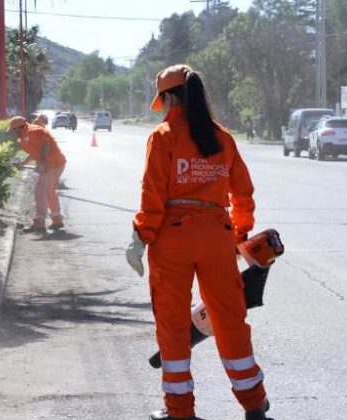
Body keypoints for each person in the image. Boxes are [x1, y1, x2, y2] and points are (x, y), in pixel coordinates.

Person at [125, 64, 271, 420]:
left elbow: (153, 195)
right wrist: (238, 235)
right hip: (217, 238)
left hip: (171, 240)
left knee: (174, 327)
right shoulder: (224, 138)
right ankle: (254, 404)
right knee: (229, 322)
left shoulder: (163, 136)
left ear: (170, 97)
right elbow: (243, 194)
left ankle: (180, 412)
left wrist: (140, 237)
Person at [7, 116, 66, 233]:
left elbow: (46, 145)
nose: (13, 133)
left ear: (19, 128)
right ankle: (56, 220)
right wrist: (24, 162)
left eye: (13, 130)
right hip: (53, 163)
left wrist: (43, 164)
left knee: (41, 192)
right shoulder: (26, 135)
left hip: (53, 164)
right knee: (48, 191)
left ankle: (40, 224)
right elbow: (35, 152)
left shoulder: (32, 132)